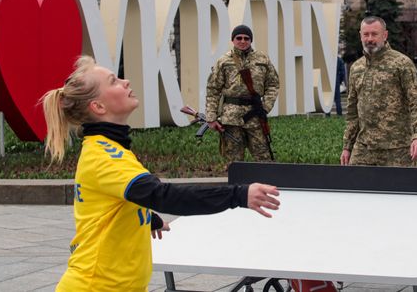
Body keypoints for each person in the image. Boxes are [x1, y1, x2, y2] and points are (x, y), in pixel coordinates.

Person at [42, 56, 280, 292]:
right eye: (113, 81)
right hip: (95, 286)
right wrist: (239, 195)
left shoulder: (107, 147)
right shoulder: (105, 157)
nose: (125, 82)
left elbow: (112, 202)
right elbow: (163, 195)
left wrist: (147, 218)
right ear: (99, 107)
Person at [340, 16, 417, 167]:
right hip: (364, 149)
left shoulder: (401, 64)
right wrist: (347, 146)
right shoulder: (356, 68)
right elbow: (352, 111)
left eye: (374, 34)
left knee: (401, 190)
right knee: (357, 188)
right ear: (360, 35)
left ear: (385, 35)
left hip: (397, 149)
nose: (370, 39)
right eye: (366, 34)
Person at [205, 24, 280, 162]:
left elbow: (273, 84)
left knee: (264, 157)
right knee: (234, 161)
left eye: (246, 38)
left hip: (255, 116)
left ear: (251, 40)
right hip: (231, 118)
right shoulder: (223, 61)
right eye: (238, 38)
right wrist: (211, 117)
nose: (243, 41)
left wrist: (265, 107)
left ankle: (265, 183)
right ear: (233, 40)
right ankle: (237, 184)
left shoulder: (263, 59)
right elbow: (213, 89)